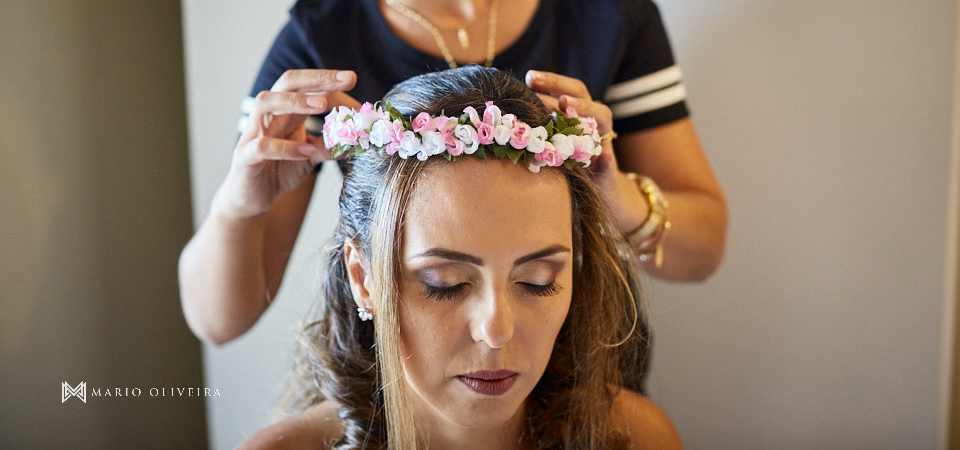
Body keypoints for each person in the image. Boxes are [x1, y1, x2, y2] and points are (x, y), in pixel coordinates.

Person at [179, 0, 727, 345]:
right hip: (405, 405)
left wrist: (618, 195)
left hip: (584, 380)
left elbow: (703, 250)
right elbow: (217, 321)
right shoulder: (317, 44)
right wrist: (238, 204)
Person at [236, 66, 683, 450]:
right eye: (444, 284)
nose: (496, 330)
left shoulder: (639, 438)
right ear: (364, 279)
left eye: (537, 280)